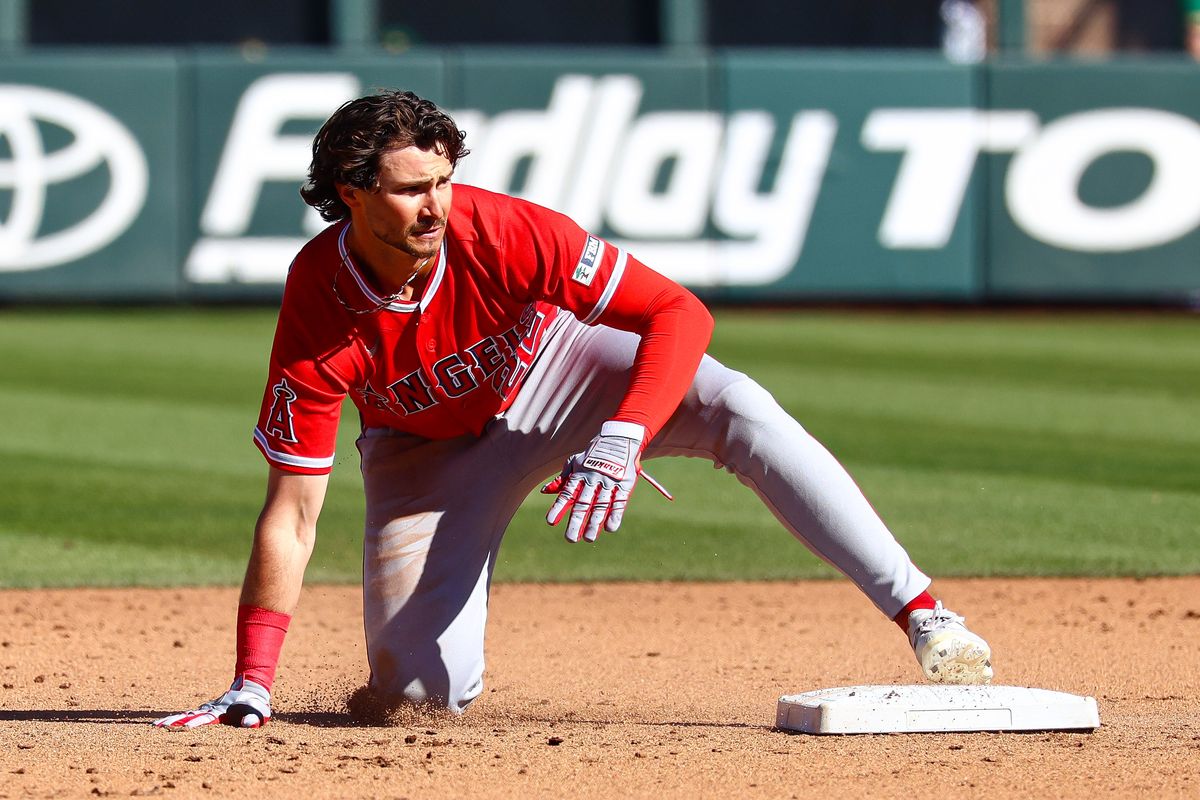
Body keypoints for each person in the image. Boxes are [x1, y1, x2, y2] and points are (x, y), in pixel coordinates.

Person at [154, 90, 991, 729]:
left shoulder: (503, 230)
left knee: (739, 403)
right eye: (413, 190)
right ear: (354, 192)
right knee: (417, 695)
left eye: (446, 181)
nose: (438, 206)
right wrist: (253, 681)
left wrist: (623, 435)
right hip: (425, 453)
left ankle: (925, 613)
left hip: (557, 372)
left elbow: (679, 313)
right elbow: (293, 514)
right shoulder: (319, 305)